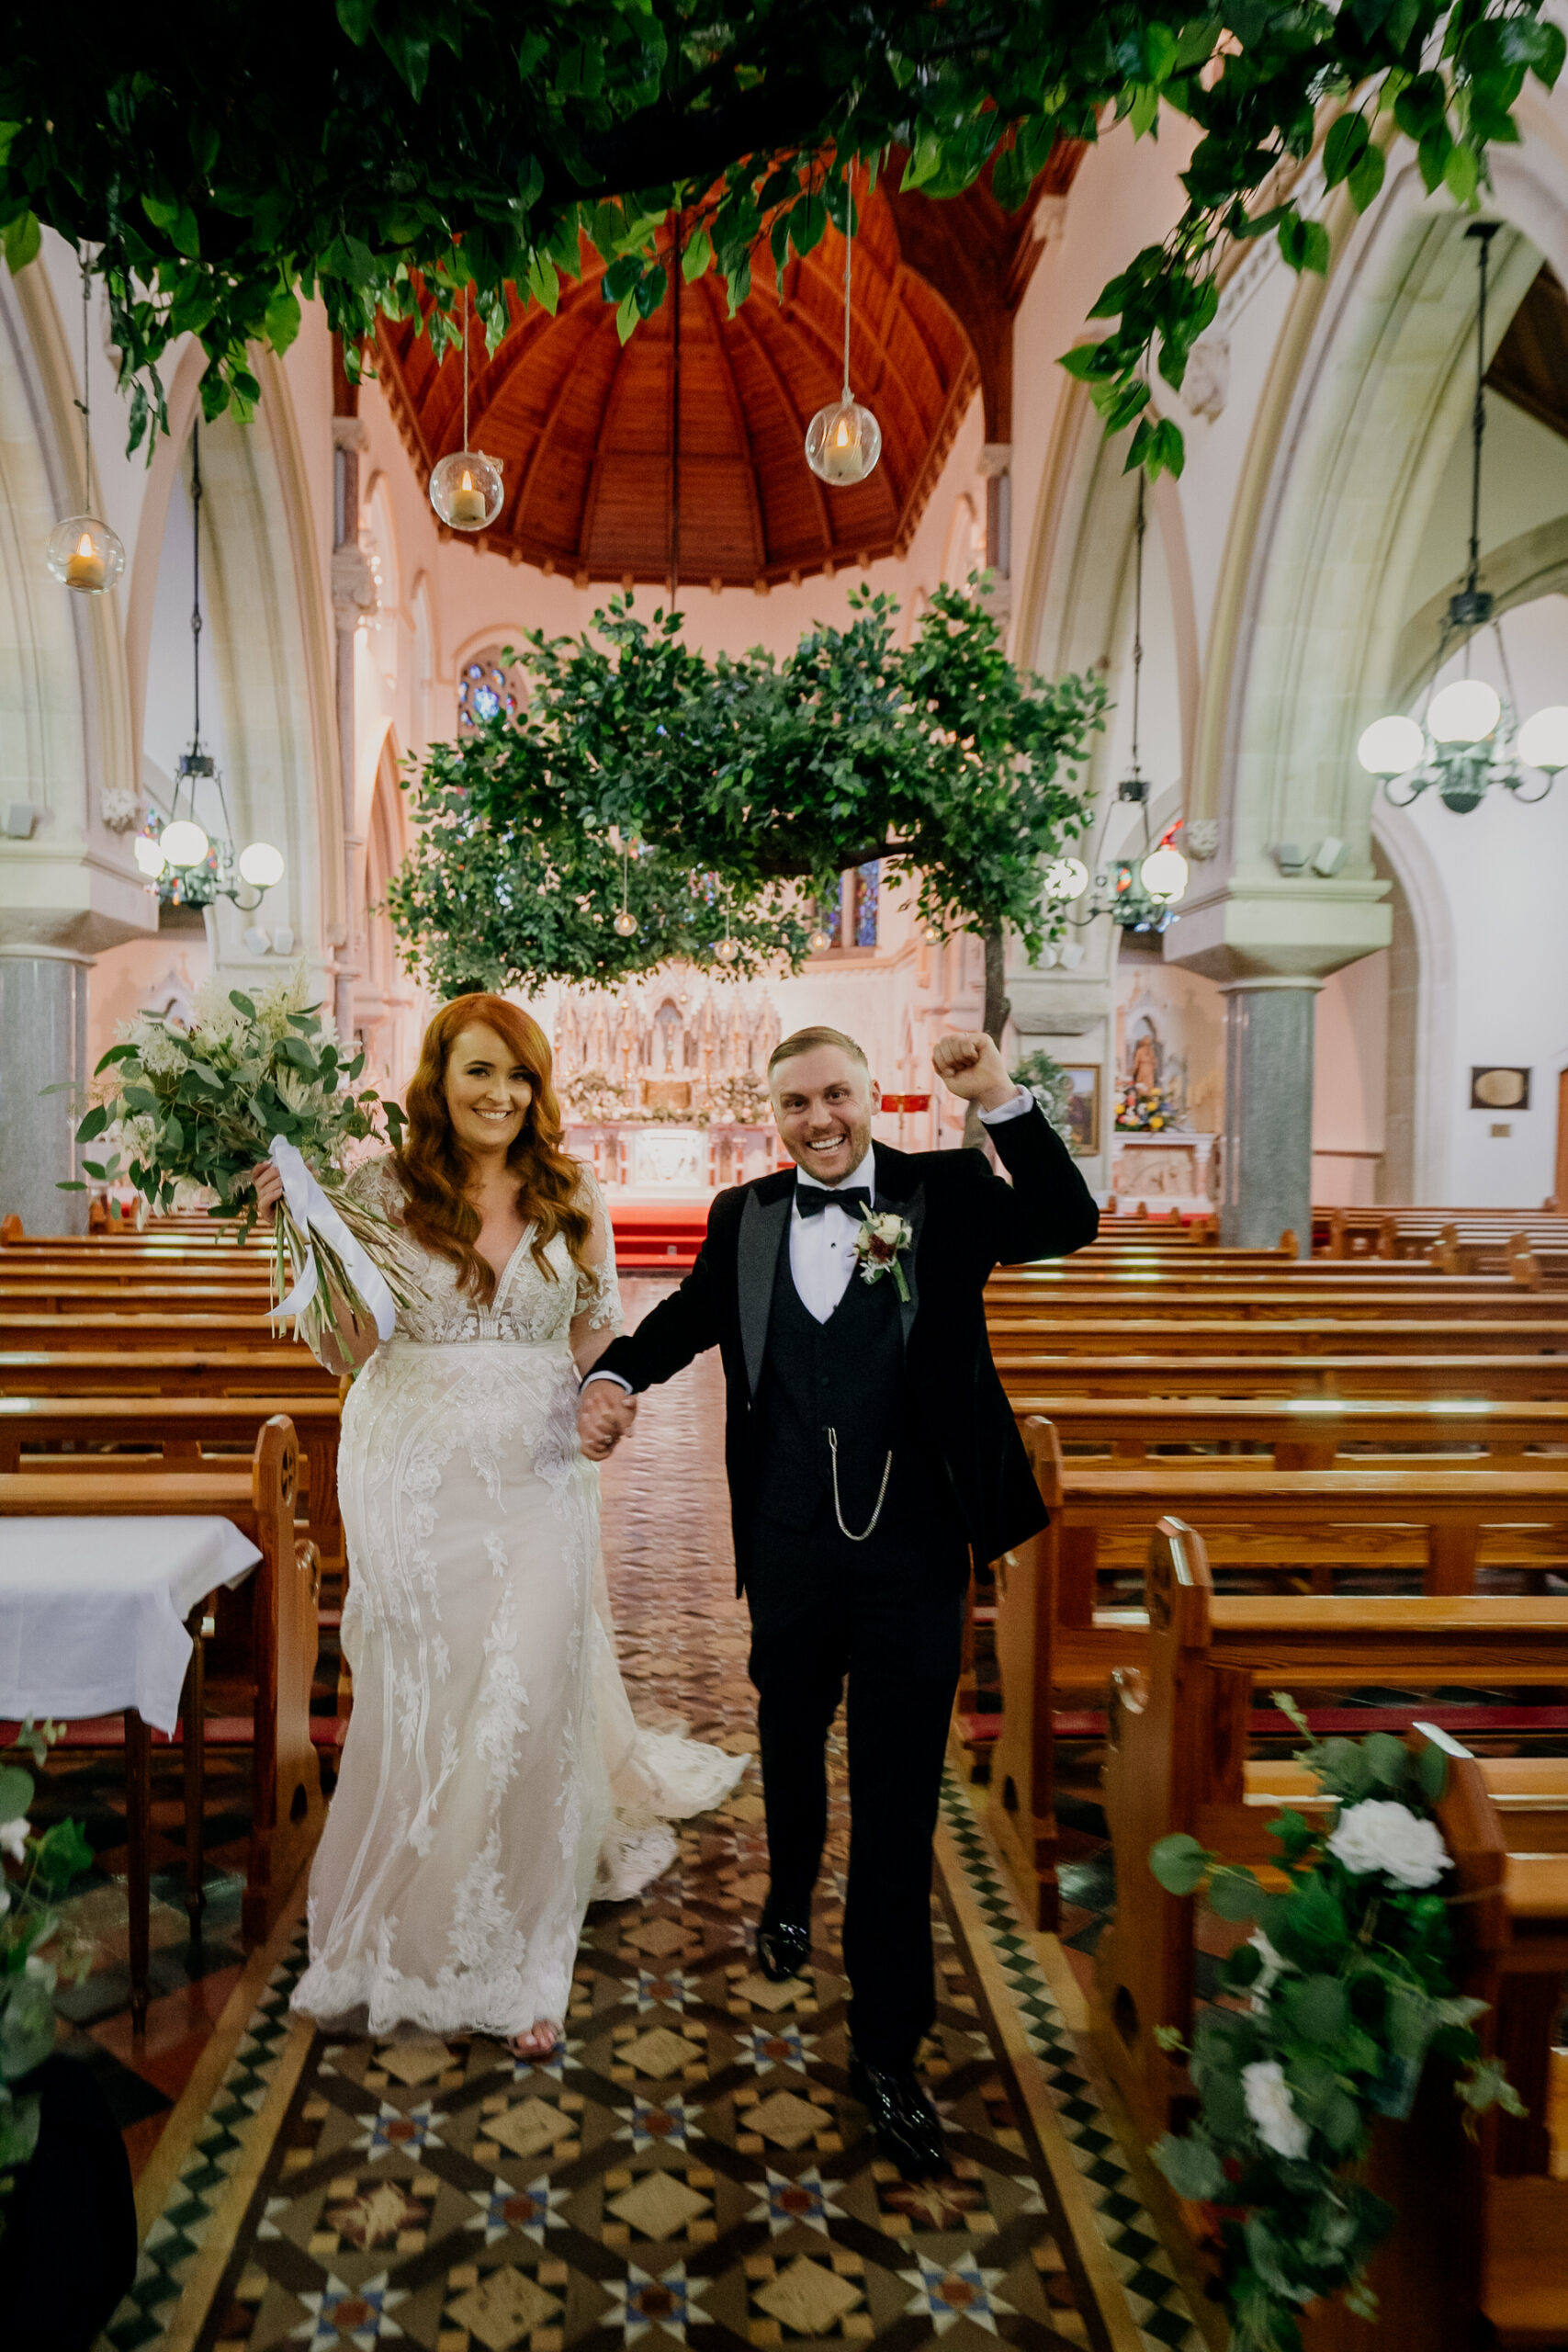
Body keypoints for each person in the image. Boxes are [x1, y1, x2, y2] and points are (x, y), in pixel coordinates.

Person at [579, 1025, 1098, 2174]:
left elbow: (1069, 1219)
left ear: (872, 1097)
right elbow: (690, 1319)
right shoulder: (747, 1214)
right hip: (789, 1546)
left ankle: (887, 2046)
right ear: (771, 1113)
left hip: (916, 1552)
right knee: (788, 1730)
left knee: (902, 1798)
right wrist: (614, 1370)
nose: (820, 1119)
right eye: (797, 1103)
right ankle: (787, 1887)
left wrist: (1000, 1097)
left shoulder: (946, 1191)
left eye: (838, 1096)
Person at [254, 994, 741, 2060]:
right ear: (438, 1078)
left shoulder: (572, 1193)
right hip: (412, 1472)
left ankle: (521, 1946)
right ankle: (419, 1900)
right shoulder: (380, 1192)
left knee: (525, 1680)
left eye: (519, 1075)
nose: (502, 1094)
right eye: (480, 1071)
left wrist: (608, 1391)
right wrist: (306, 1234)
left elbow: (596, 1325)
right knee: (433, 1684)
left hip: (539, 1467)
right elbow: (342, 1352)